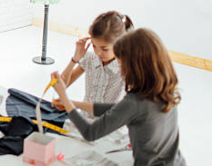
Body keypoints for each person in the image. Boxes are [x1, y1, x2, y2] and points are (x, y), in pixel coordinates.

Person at [51, 28, 186, 166]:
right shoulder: (163, 89)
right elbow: (118, 109)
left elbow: (90, 133)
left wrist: (64, 97)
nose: (121, 69)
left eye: (122, 64)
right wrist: (74, 104)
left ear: (135, 66)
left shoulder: (135, 102)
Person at [53, 11, 134, 109]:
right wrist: (75, 59)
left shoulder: (126, 68)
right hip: (83, 119)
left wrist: (70, 104)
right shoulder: (91, 59)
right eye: (94, 46)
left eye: (104, 49)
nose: (98, 53)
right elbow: (62, 86)